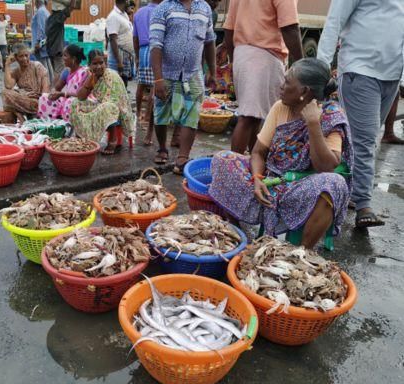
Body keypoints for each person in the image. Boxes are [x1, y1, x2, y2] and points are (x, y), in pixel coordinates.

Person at [209, 59, 353, 249]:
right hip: (270, 180)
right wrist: (257, 178)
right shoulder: (280, 107)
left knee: (334, 184)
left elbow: (326, 167)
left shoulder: (330, 115)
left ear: (304, 91)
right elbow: (259, 152)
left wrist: (313, 124)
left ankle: (301, 253)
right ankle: (237, 236)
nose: (281, 86)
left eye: (287, 82)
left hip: (302, 188)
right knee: (223, 159)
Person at [317, 0, 404, 228]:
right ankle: (363, 205)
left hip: (392, 75)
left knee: (361, 139)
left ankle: (346, 191)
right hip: (360, 70)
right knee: (364, 140)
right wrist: (322, 67)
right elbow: (335, 21)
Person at [223, 0, 303, 154]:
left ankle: (254, 162)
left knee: (254, 117)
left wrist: (234, 60)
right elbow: (289, 27)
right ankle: (233, 170)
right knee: (249, 117)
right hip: (263, 56)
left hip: (242, 53)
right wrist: (302, 64)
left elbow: (228, 28)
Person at [149, 0, 217, 173]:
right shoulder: (163, 8)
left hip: (193, 74)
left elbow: (209, 42)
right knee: (161, 113)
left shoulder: (204, 8)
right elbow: (155, 45)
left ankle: (183, 157)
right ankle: (162, 147)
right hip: (166, 73)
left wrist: (212, 72)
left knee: (191, 115)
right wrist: (158, 80)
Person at [71, 49, 135, 154]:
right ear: (89, 65)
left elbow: (114, 101)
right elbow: (80, 97)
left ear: (105, 62)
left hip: (117, 109)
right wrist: (90, 80)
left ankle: (112, 141)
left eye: (101, 63)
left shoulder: (111, 75)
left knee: (107, 107)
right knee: (75, 104)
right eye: (94, 64)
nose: (99, 66)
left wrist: (96, 110)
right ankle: (81, 137)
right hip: (103, 105)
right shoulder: (92, 76)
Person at [133, 0, 161, 146]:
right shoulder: (162, 11)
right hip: (156, 50)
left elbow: (135, 38)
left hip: (143, 51)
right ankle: (149, 130)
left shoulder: (138, 13)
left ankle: (138, 115)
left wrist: (137, 56)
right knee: (154, 90)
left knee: (141, 85)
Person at [38, 44, 88, 122]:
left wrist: (62, 94)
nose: (62, 58)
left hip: (80, 101)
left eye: (65, 56)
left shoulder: (84, 73)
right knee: (44, 97)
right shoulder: (66, 71)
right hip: (67, 99)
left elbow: (82, 95)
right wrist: (53, 93)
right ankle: (49, 124)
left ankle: (68, 128)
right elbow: (57, 88)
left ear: (73, 59)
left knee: (70, 102)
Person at [2, 43, 50, 123]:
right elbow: (8, 85)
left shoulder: (37, 66)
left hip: (37, 102)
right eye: (21, 56)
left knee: (7, 101)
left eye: (26, 55)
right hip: (24, 100)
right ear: (16, 58)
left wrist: (42, 101)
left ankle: (18, 114)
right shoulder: (17, 72)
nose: (24, 58)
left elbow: (46, 89)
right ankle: (19, 115)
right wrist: (7, 65)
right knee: (5, 92)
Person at [46, 0, 76, 80]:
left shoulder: (50, 18)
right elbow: (72, 7)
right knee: (60, 73)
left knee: (54, 72)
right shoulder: (58, 17)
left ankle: (54, 89)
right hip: (57, 50)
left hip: (51, 49)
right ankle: (56, 90)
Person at [106, 0, 134, 87]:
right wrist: (119, 62)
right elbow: (113, 40)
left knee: (123, 84)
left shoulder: (123, 15)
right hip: (117, 57)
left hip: (124, 55)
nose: (129, 3)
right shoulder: (113, 16)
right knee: (116, 85)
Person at [31, 0, 54, 84]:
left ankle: (46, 85)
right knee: (47, 64)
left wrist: (38, 43)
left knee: (42, 66)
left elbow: (41, 28)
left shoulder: (40, 11)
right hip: (45, 43)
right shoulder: (45, 11)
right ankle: (50, 84)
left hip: (40, 44)